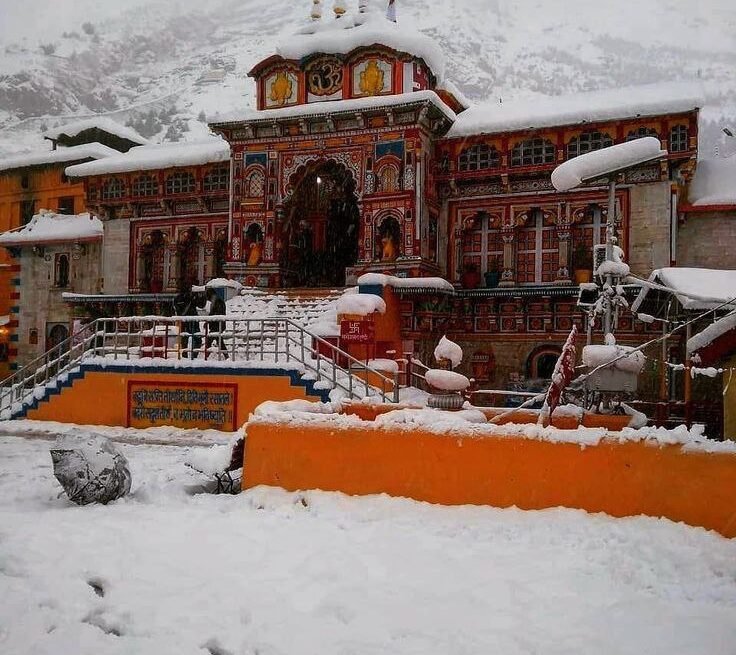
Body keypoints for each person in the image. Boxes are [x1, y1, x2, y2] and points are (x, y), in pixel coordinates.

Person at [172, 288, 201, 358]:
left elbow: (176, 310)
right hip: (192, 320)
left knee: (185, 340)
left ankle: (185, 356)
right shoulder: (189, 298)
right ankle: (194, 356)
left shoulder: (176, 299)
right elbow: (201, 305)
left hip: (184, 321)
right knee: (197, 339)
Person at [204, 287, 228, 360]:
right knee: (219, 342)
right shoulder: (216, 301)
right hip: (217, 325)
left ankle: (206, 356)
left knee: (211, 341)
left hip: (217, 325)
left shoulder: (217, 302)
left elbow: (216, 314)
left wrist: (209, 321)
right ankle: (226, 356)